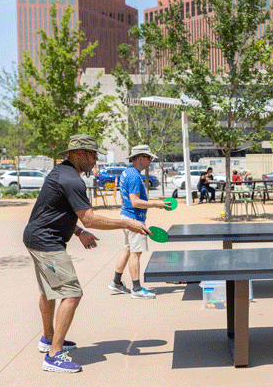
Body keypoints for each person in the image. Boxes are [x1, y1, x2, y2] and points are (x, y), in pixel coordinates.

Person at [23, 134, 150, 373]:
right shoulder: (72, 180)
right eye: (92, 155)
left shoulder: (60, 173)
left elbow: (54, 213)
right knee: (72, 293)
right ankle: (54, 356)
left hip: (37, 238)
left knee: (50, 292)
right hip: (46, 242)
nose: (95, 160)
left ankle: (48, 338)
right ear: (78, 153)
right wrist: (127, 223)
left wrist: (78, 232)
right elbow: (90, 218)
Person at [109, 145, 171, 300]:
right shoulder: (135, 176)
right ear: (141, 157)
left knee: (128, 249)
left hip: (126, 217)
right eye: (149, 158)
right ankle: (136, 289)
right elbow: (135, 202)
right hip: (134, 219)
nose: (150, 161)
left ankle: (116, 282)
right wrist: (158, 204)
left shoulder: (126, 172)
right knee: (136, 253)